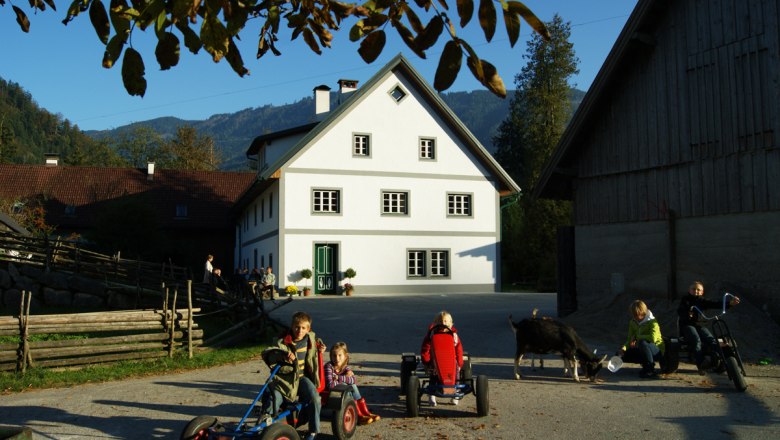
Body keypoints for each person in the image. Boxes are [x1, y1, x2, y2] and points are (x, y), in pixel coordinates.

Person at [262, 312, 326, 440]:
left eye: (303, 328)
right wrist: (282, 355)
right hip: (284, 380)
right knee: (274, 399)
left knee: (315, 397)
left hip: (301, 378)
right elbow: (269, 353)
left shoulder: (310, 338)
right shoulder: (282, 341)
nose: (299, 331)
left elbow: (317, 341)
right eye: (297, 327)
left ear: (308, 329)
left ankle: (313, 431)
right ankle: (266, 427)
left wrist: (321, 347)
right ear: (291, 326)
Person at [677, 281, 740, 373]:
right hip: (688, 325)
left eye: (698, 290)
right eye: (693, 289)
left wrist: (730, 303)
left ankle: (723, 360)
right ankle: (700, 364)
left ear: (702, 292)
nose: (696, 291)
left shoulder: (702, 301)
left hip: (700, 325)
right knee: (696, 339)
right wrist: (687, 314)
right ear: (689, 290)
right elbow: (680, 311)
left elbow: (715, 303)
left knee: (711, 340)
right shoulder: (685, 300)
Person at [325, 342, 380, 425]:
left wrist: (339, 378)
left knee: (352, 385)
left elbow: (353, 380)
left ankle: (365, 412)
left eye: (340, 355)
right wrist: (345, 379)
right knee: (346, 386)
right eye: (334, 355)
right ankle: (358, 415)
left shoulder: (345, 367)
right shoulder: (329, 367)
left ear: (345, 356)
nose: (337, 358)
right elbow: (330, 385)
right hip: (332, 393)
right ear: (330, 356)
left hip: (341, 390)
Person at [420, 310, 463, 406]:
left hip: (451, 360)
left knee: (455, 373)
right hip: (436, 360)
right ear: (435, 323)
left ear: (450, 323)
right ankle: (432, 394)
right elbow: (425, 348)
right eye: (440, 321)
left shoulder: (454, 336)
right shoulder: (432, 335)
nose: (443, 323)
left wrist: (460, 363)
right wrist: (426, 360)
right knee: (434, 374)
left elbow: (459, 350)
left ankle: (453, 392)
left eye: (445, 321)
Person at [617, 300, 665, 379]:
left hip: (656, 350)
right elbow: (629, 339)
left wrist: (637, 337)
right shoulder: (632, 322)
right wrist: (623, 348)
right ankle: (645, 366)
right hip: (641, 348)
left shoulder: (652, 322)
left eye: (637, 314)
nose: (635, 317)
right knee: (621, 354)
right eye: (634, 314)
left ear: (642, 312)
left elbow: (653, 338)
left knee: (643, 343)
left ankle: (650, 369)